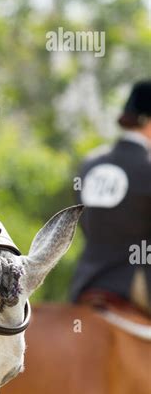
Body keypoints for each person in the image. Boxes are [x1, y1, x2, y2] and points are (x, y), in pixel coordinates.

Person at [71, 80, 151, 315]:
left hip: (86, 281)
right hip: (136, 284)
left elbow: (83, 221)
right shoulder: (147, 167)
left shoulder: (90, 164)